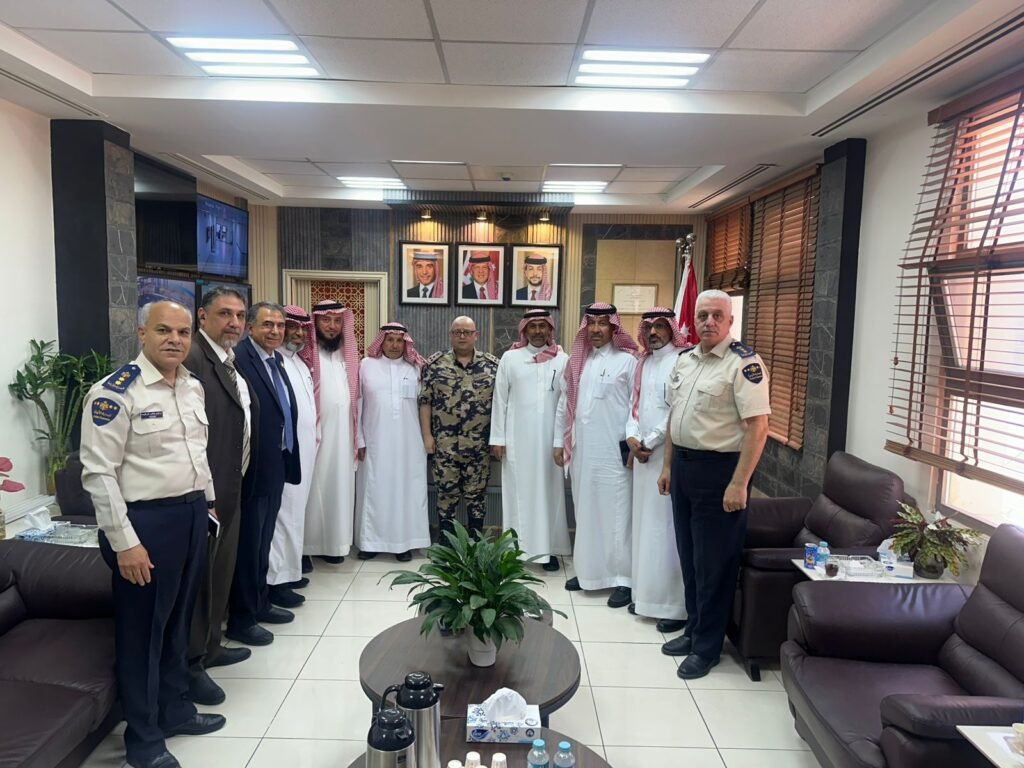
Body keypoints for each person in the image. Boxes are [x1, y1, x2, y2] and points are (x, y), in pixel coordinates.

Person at [81, 301, 225, 768]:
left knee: (179, 624)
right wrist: (124, 543)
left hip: (190, 517)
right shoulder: (114, 393)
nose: (175, 340)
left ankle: (175, 709)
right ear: (142, 333)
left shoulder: (192, 387)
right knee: (142, 637)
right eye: (164, 330)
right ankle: (144, 741)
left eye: (183, 332)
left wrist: (208, 504)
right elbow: (98, 474)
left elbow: (195, 453)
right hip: (143, 526)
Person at [658, 289, 770, 680]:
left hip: (720, 472)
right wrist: (667, 466)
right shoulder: (686, 360)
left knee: (714, 565)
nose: (709, 322)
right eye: (703, 315)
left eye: (717, 315)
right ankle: (694, 630)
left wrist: (740, 483)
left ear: (730, 321)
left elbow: (758, 427)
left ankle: (707, 648)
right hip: (684, 468)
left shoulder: (744, 364)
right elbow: (675, 418)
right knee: (690, 558)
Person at [184, 287, 257, 707]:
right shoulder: (193, 357)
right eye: (225, 314)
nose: (234, 322)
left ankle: (211, 645)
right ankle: (192, 665)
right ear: (203, 316)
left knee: (220, 574)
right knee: (200, 583)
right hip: (205, 491)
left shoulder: (227, 359)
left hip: (230, 483)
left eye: (240, 315)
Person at [554, 303, 638, 607]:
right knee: (586, 513)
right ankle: (588, 572)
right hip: (582, 453)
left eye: (603, 323)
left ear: (614, 328)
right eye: (591, 323)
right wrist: (558, 442)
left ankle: (622, 579)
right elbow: (565, 405)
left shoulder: (628, 362)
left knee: (617, 516)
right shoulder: (578, 362)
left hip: (614, 454)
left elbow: (636, 408)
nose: (597, 329)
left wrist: (633, 444)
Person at [228, 302, 300, 647]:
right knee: (248, 545)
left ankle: (259, 603)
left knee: (262, 542)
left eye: (280, 325)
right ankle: (242, 619)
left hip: (275, 464)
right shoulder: (240, 359)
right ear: (250, 328)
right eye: (267, 324)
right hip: (252, 469)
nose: (275, 331)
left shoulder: (275, 359)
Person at [489, 308, 570, 570]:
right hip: (517, 441)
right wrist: (498, 439)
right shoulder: (510, 358)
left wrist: (562, 442)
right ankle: (516, 550)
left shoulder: (562, 360)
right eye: (532, 326)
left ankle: (549, 551)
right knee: (518, 495)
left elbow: (566, 404)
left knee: (550, 494)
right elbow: (500, 399)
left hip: (550, 444)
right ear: (524, 330)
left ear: (550, 329)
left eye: (542, 326)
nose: (537, 331)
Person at [626, 308, 688, 633]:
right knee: (644, 527)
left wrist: (649, 441)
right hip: (642, 458)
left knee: (666, 531)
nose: (653, 333)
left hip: (667, 456)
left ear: (672, 329)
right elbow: (633, 406)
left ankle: (671, 606)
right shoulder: (644, 362)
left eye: (661, 326)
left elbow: (677, 410)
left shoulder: (683, 361)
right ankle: (645, 596)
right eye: (649, 327)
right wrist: (631, 438)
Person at [355, 322, 430, 561]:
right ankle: (370, 543)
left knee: (407, 492)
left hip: (410, 444)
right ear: (382, 341)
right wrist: (359, 439)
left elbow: (426, 406)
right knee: (374, 490)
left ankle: (404, 543)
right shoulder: (366, 366)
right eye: (390, 340)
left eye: (399, 341)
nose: (395, 345)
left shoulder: (417, 368)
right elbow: (357, 404)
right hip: (375, 441)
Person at [419, 316, 498, 538]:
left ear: (476, 335)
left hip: (479, 447)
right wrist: (427, 436)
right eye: (457, 332)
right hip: (445, 446)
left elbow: (501, 406)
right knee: (446, 495)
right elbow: (425, 402)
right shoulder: (434, 365)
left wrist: (497, 440)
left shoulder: (493, 367)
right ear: (451, 335)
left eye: (467, 332)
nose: (462, 336)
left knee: (477, 497)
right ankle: (446, 545)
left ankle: (475, 545)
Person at [267, 305, 318, 607]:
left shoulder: (299, 362)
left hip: (305, 452)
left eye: (302, 328)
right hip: (285, 453)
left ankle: (291, 570)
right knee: (283, 516)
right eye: (292, 327)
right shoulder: (275, 362)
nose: (298, 333)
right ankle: (277, 581)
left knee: (296, 515)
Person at [304, 299, 360, 565]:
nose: (332, 326)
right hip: (314, 437)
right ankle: (306, 546)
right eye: (326, 320)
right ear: (315, 323)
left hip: (343, 438)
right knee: (311, 490)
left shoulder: (347, 357)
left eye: (337, 321)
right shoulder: (305, 356)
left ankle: (335, 546)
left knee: (339, 489)